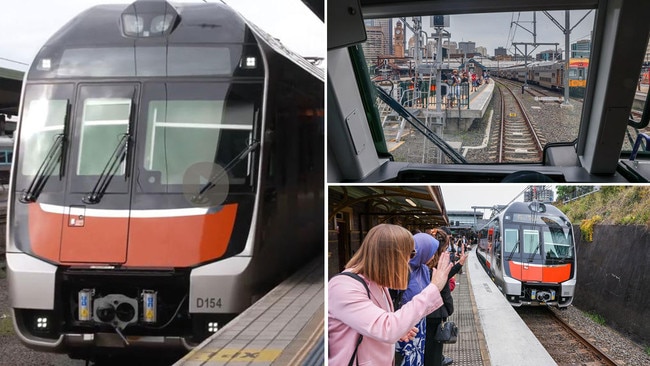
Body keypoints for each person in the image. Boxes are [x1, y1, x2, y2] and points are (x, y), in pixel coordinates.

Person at [329, 224, 453, 366]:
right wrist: (434, 288)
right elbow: (388, 328)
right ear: (391, 256)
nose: (409, 261)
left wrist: (400, 331)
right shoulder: (343, 287)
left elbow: (378, 326)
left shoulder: (378, 284)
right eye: (411, 254)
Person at [425, 229, 469, 366]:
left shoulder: (424, 264)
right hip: (435, 311)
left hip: (427, 312)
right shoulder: (435, 264)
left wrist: (460, 264)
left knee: (430, 344)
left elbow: (447, 275)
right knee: (434, 345)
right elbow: (444, 283)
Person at [396, 233, 440, 365]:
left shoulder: (424, 269)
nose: (433, 256)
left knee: (418, 354)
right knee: (406, 356)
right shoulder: (401, 272)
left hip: (420, 322)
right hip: (404, 324)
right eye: (431, 252)